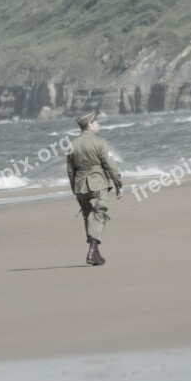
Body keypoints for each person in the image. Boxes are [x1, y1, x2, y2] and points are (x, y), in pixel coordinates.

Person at [67, 112, 123, 266]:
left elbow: (70, 171)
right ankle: (92, 251)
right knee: (98, 214)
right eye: (96, 122)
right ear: (89, 125)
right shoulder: (100, 142)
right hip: (97, 183)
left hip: (80, 186)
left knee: (88, 216)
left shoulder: (72, 144)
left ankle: (96, 253)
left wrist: (75, 189)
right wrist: (118, 183)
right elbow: (110, 164)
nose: (98, 124)